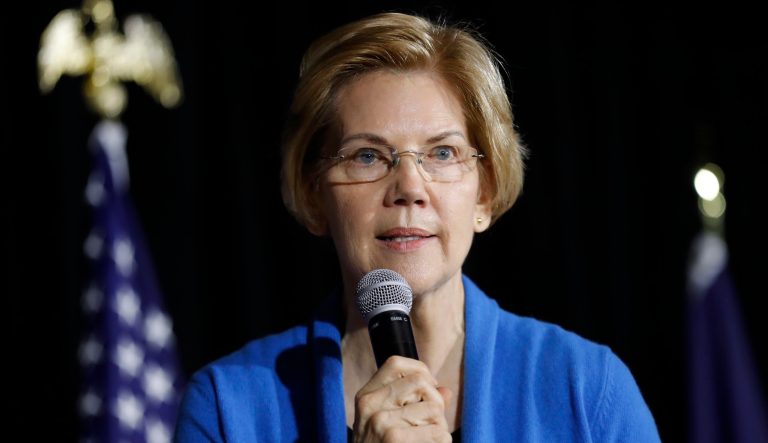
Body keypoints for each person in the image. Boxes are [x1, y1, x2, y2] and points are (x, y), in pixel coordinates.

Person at [174, 12, 660, 442]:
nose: (409, 185)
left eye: (442, 153)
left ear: (484, 194)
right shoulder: (226, 407)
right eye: (368, 156)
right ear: (313, 195)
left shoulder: (589, 388)